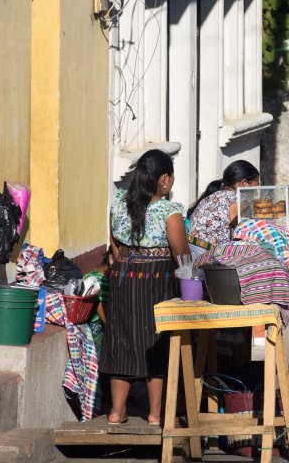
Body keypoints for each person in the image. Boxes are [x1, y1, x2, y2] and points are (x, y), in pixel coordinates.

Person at [100, 149, 189, 426]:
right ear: (164, 179)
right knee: (156, 342)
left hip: (124, 279)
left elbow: (114, 243)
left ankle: (116, 412)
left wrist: (125, 258)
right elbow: (181, 253)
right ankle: (154, 415)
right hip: (158, 281)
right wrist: (193, 278)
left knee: (122, 341)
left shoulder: (118, 202)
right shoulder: (168, 210)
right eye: (171, 177)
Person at [187, 160, 259, 247]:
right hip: (210, 256)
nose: (256, 192)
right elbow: (246, 231)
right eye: (256, 186)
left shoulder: (217, 195)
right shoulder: (234, 199)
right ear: (244, 183)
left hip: (196, 251)